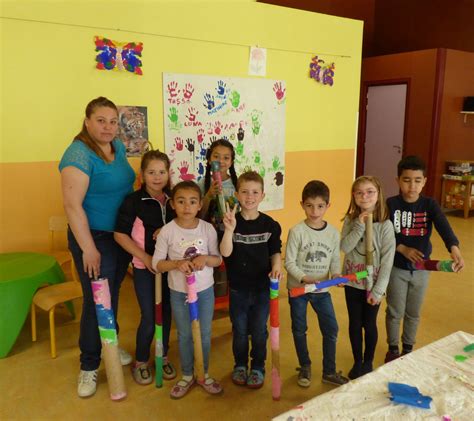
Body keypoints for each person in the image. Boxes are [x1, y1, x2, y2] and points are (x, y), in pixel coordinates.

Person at [59, 96, 136, 398]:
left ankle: (110, 346)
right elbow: (72, 206)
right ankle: (89, 365)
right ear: (87, 121)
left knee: (111, 294)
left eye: (113, 121)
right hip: (93, 238)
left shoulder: (115, 148)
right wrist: (89, 248)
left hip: (118, 237)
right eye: (101, 121)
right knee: (97, 303)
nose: (107, 127)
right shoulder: (78, 154)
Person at [385, 156, 464, 362]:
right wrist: (402, 248)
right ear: (398, 180)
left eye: (417, 180)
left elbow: (443, 226)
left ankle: (408, 349)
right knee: (395, 311)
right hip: (396, 268)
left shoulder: (430, 204)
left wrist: (453, 247)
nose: (412, 186)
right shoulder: (390, 204)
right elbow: (383, 237)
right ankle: (393, 349)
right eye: (407, 180)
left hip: (421, 270)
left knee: (413, 312)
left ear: (425, 181)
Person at [153, 181, 223, 399]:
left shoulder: (207, 228)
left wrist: (205, 259)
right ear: (173, 204)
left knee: (204, 333)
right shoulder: (167, 231)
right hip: (178, 291)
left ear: (200, 204)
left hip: (204, 291)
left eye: (193, 202)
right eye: (181, 201)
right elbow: (157, 264)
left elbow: (218, 259)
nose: (187, 206)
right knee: (184, 334)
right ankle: (186, 374)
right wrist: (176, 264)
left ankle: (203, 373)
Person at [114, 150, 176, 385]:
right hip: (144, 268)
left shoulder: (173, 200)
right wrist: (146, 258)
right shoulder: (133, 201)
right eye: (151, 172)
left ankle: (163, 354)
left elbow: (185, 223)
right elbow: (120, 235)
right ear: (142, 174)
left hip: (170, 268)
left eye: (162, 172)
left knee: (167, 313)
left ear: (168, 174)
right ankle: (141, 360)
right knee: (150, 317)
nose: (157, 177)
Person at [220, 171, 282, 389]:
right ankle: (239, 364)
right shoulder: (230, 222)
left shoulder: (270, 225)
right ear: (237, 194)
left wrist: (276, 267)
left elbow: (275, 252)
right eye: (245, 192)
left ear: (262, 195)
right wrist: (229, 231)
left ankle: (258, 367)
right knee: (239, 330)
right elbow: (225, 253)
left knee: (258, 330)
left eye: (255, 192)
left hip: (263, 289)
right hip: (238, 289)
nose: (249, 196)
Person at [285, 180, 349, 388]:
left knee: (331, 328)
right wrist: (304, 278)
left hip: (322, 290)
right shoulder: (297, 231)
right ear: (302, 204)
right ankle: (305, 366)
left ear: (328, 206)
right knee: (299, 329)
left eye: (320, 206)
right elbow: (289, 262)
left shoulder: (332, 233)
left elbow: (334, 259)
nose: (315, 211)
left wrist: (337, 274)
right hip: (299, 290)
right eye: (310, 205)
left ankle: (329, 371)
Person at [340, 176, 396, 379]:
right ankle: (357, 362)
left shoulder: (385, 226)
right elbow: (344, 247)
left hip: (373, 285)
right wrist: (360, 226)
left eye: (370, 191)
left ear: (378, 194)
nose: (365, 196)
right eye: (359, 192)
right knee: (355, 323)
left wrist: (378, 290)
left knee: (369, 323)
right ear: (353, 196)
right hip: (353, 282)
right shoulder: (350, 220)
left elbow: (388, 261)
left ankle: (368, 362)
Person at [198, 139, 239, 298]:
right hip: (211, 236)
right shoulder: (203, 184)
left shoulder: (237, 184)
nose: (221, 161)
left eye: (226, 157)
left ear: (231, 161)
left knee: (234, 271)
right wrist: (208, 195)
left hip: (233, 236)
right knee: (214, 274)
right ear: (209, 159)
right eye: (216, 156)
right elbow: (199, 216)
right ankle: (211, 297)